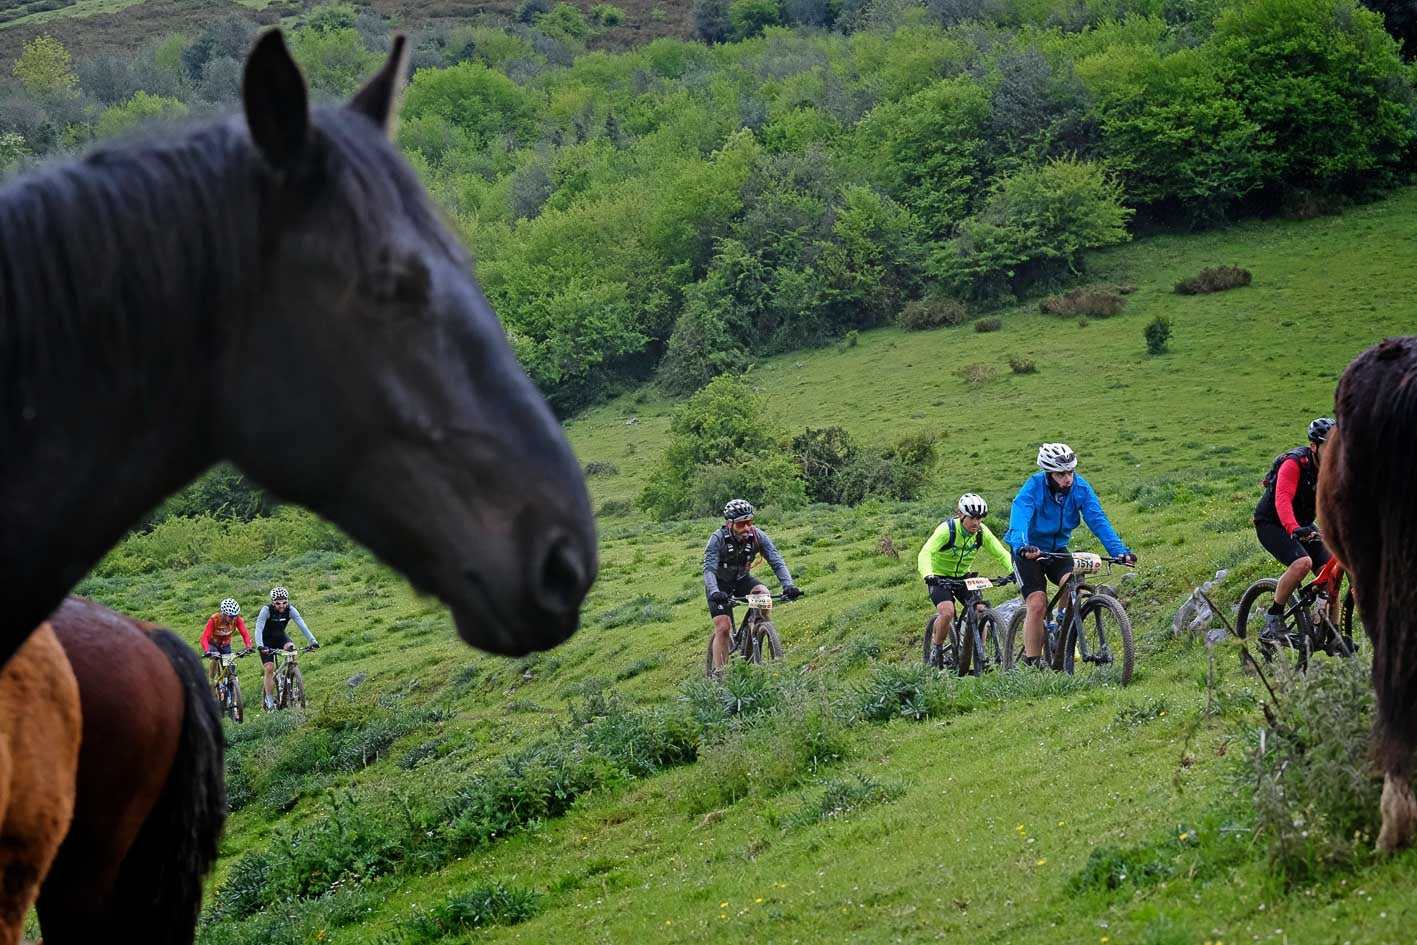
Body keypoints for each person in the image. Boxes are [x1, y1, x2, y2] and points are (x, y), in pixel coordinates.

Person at [1005, 443, 1136, 667]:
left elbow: (1098, 520)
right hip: (1029, 552)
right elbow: (1020, 519)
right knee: (1037, 603)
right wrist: (1023, 546)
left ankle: (1062, 622)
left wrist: (1119, 551)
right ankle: (1031, 664)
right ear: (1048, 473)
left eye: (1071, 472)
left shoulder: (1081, 488)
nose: (1068, 478)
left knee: (1072, 580)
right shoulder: (1033, 487)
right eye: (1061, 474)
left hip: (1057, 549)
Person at [1253, 417, 1339, 641]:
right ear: (1314, 447)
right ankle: (1275, 615)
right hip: (1271, 523)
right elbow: (1282, 499)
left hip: (1301, 523)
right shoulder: (1294, 463)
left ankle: (1333, 635)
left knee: (1330, 574)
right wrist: (1294, 528)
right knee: (1302, 563)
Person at [917, 493, 1015, 669]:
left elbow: (1001, 554)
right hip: (939, 578)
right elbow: (926, 552)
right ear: (961, 515)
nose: (976, 523)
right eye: (972, 518)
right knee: (947, 612)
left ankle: (980, 654)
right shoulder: (947, 530)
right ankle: (936, 649)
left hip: (963, 577)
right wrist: (928, 574)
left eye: (980, 518)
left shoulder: (981, 532)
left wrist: (1013, 571)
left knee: (980, 610)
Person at [704, 499, 802, 674]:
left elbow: (776, 561)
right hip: (719, 585)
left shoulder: (757, 536)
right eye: (742, 524)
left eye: (749, 522)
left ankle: (760, 627)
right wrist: (714, 591)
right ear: (729, 523)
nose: (747, 527)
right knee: (723, 627)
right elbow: (709, 570)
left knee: (763, 593)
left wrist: (789, 586)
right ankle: (722, 677)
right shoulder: (717, 540)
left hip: (742, 580)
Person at [255, 586, 320, 710]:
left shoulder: (290, 610)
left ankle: (290, 675)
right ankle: (269, 699)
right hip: (266, 641)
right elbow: (258, 628)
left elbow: (302, 625)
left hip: (280, 638)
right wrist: (260, 645)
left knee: (292, 648)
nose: (281, 606)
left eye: (284, 602)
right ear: (273, 602)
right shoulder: (266, 610)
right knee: (269, 668)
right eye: (278, 603)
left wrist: (313, 641)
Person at [200, 597, 252, 693]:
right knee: (215, 658)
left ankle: (231, 694)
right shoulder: (214, 620)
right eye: (231, 617)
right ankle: (211, 681)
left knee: (231, 672)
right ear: (224, 614)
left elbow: (245, 633)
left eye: (235, 616)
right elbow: (204, 638)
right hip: (213, 644)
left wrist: (248, 646)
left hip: (225, 645)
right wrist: (207, 651)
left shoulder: (237, 619)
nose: (233, 619)